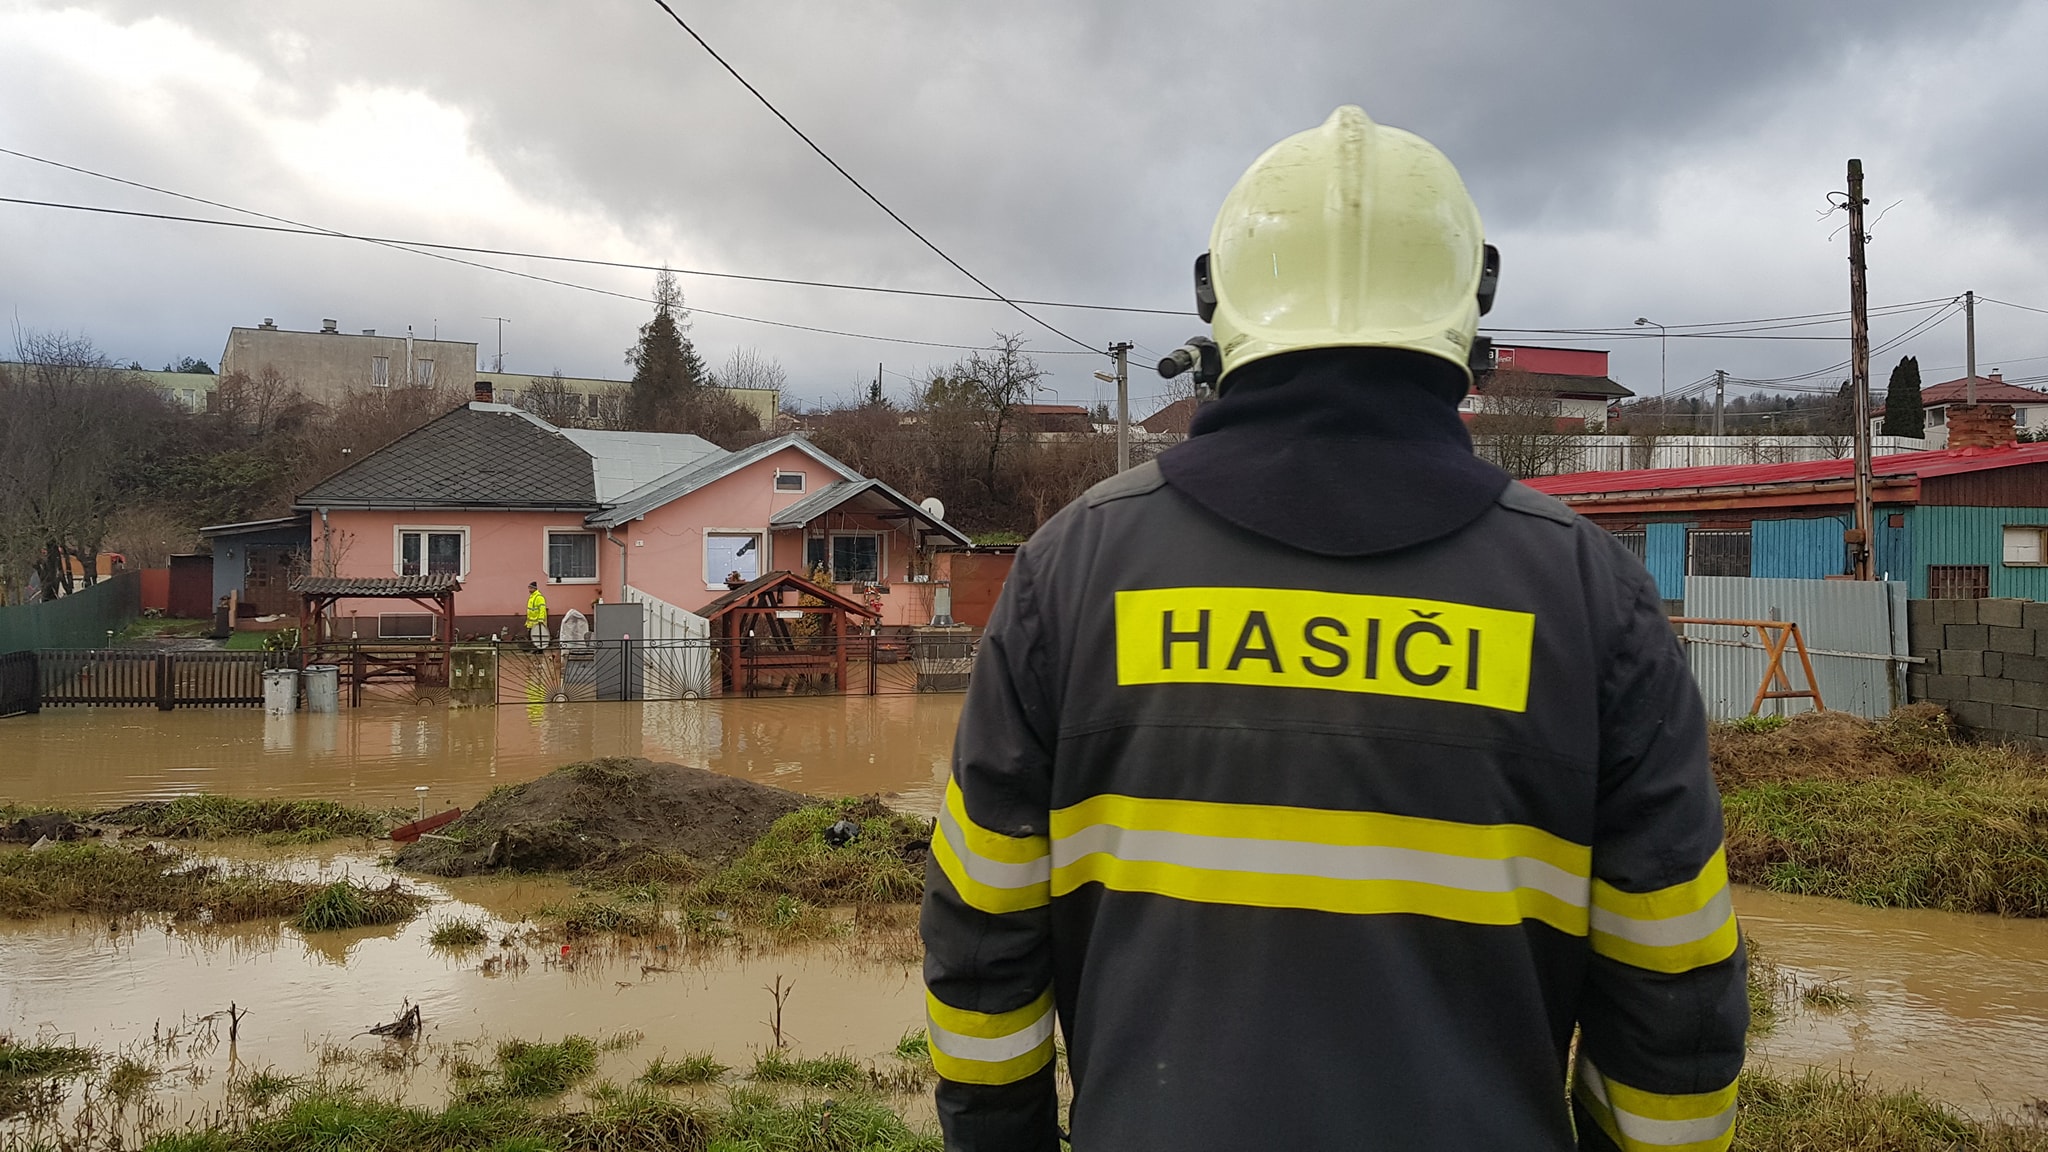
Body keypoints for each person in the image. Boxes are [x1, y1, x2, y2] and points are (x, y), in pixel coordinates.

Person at [919, 106, 1746, 1152]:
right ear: (1463, 312)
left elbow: (981, 939)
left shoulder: (1070, 573)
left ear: (1219, 307)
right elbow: (1670, 993)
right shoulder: (1591, 599)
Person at [525, 581, 549, 650]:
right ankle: (534, 649)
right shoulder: (532, 597)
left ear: (534, 588)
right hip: (531, 622)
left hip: (537, 622)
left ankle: (539, 650)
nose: (529, 590)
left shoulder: (539, 597)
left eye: (530, 588)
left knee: (538, 637)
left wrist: (540, 619)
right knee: (532, 637)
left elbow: (542, 609)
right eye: (529, 588)